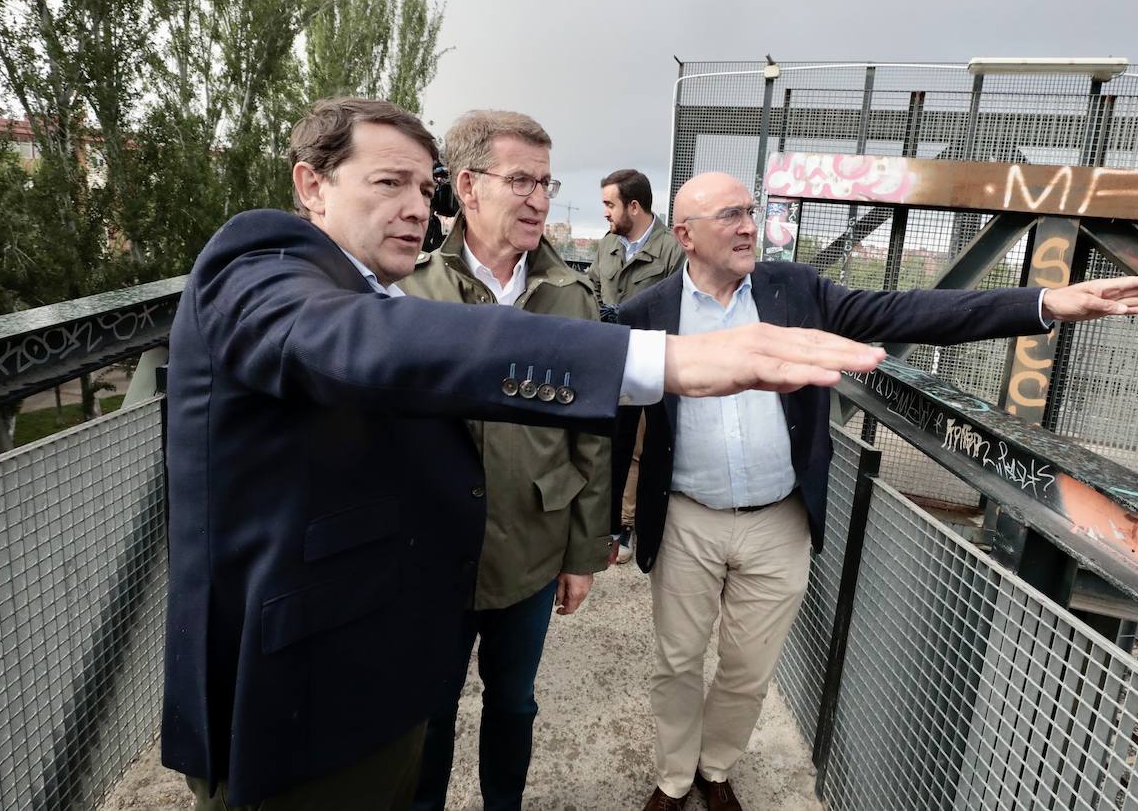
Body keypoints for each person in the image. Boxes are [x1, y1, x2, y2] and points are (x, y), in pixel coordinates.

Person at [161, 99, 884, 811]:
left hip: (401, 651)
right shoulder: (259, 263)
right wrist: (658, 360)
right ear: (311, 185)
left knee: (504, 707)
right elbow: (378, 344)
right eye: (388, 183)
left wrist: (581, 543)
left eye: (423, 187)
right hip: (295, 710)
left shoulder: (405, 286)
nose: (417, 206)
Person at [616, 171, 1138, 811]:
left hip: (778, 523)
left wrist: (1047, 303)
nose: (748, 225)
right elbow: (614, 428)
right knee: (678, 663)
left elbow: (909, 310)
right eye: (729, 216)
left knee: (748, 667)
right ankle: (672, 779)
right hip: (689, 518)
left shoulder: (795, 290)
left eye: (751, 210)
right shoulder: (647, 314)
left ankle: (716, 770)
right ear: (685, 235)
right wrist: (607, 526)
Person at [398, 110, 610, 811]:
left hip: (532, 544)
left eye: (546, 183)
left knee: (513, 702)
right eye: (521, 180)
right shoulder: (408, 289)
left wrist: (582, 553)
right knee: (424, 711)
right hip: (428, 550)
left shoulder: (571, 297)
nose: (541, 200)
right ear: (468, 185)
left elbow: (592, 436)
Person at [588, 169, 685, 563]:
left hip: (654, 362)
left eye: (610, 205)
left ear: (634, 205)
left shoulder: (671, 250)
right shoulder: (607, 245)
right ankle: (609, 528)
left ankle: (635, 527)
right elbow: (593, 288)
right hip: (613, 362)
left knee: (648, 450)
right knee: (612, 445)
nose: (606, 214)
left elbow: (679, 304)